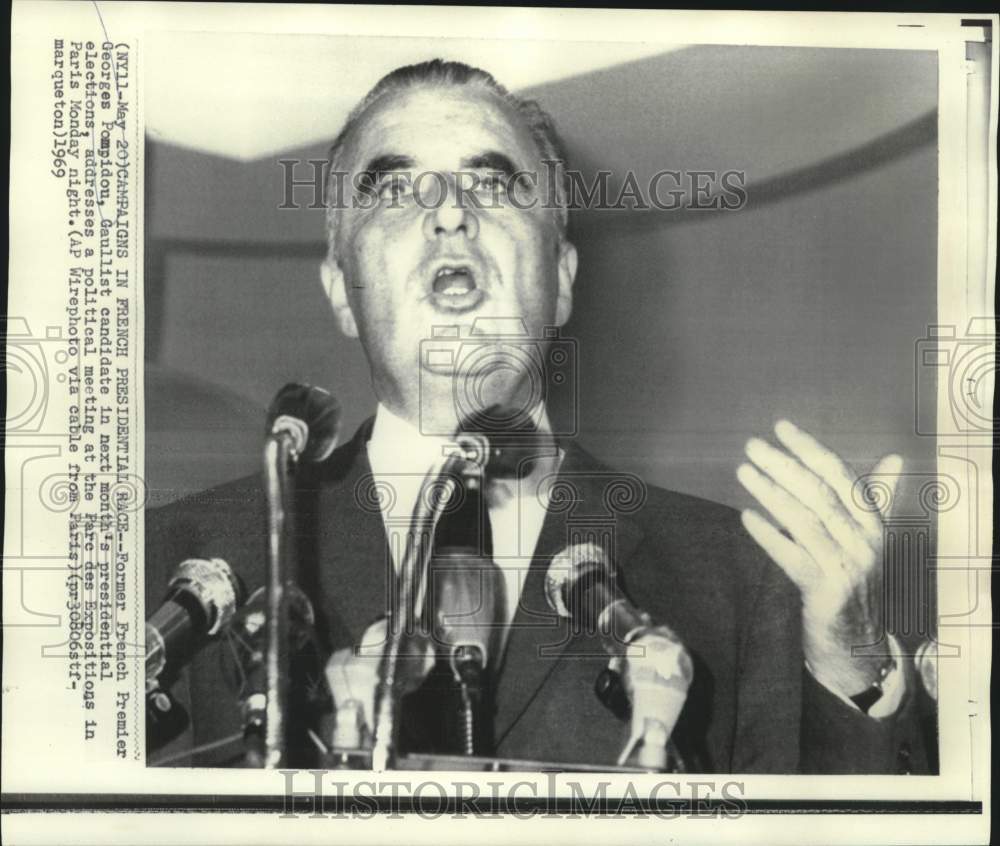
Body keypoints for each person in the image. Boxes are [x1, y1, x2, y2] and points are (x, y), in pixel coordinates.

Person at [145, 59, 928, 773]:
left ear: (559, 277)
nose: (449, 214)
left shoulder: (738, 577)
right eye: (393, 188)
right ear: (342, 291)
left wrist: (849, 662)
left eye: (493, 185)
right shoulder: (175, 565)